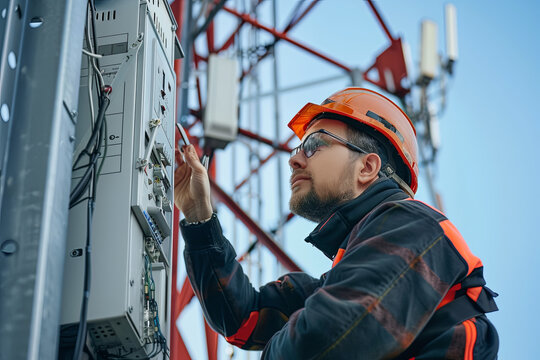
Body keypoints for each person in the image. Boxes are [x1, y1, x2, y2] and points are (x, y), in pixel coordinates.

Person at [174, 88, 499, 359]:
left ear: (367, 167)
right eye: (298, 148)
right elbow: (243, 318)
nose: (294, 159)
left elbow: (322, 340)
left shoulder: (413, 224)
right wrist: (200, 218)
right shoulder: (343, 281)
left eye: (314, 145)